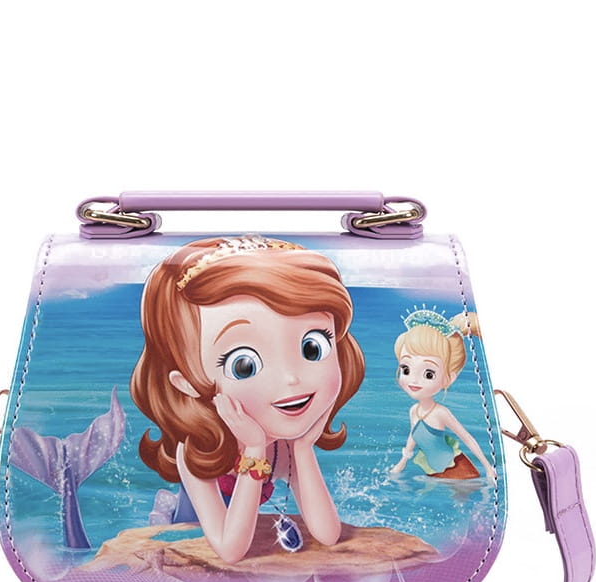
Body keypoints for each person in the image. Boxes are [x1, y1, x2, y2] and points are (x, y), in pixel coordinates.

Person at [130, 236, 365, 563]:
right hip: (192, 531)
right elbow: (230, 550)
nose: (291, 379)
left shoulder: (285, 441)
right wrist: (254, 449)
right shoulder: (196, 448)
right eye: (244, 365)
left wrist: (302, 448)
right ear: (187, 383)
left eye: (313, 347)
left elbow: (327, 534)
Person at [390, 307, 495, 480]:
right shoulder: (414, 411)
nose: (413, 380)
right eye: (406, 369)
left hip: (458, 470)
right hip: (433, 470)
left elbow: (466, 438)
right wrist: (401, 463)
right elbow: (412, 439)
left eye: (428, 374)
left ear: (449, 378)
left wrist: (488, 468)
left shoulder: (440, 413)